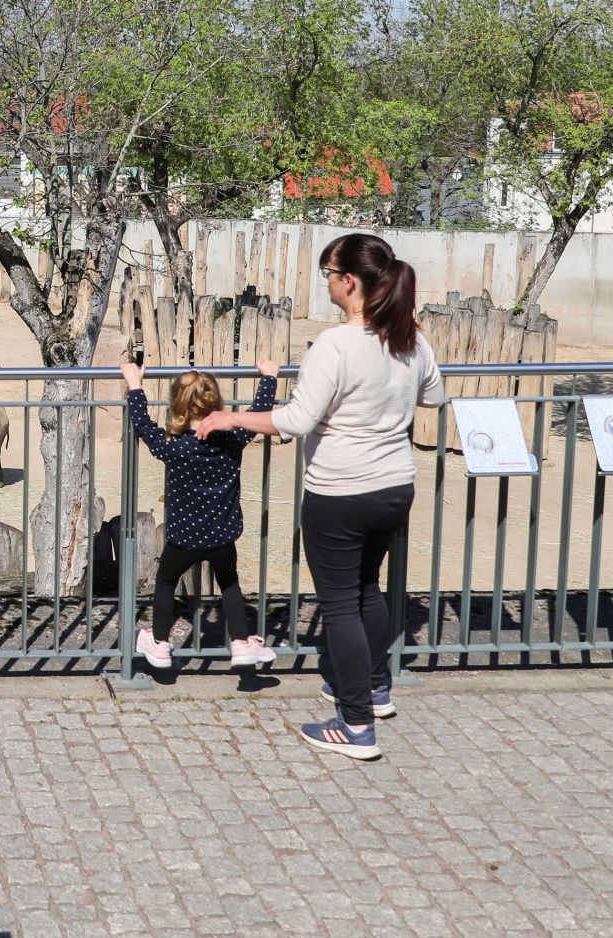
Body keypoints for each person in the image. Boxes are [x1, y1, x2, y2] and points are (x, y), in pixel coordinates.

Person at [196, 233, 445, 760]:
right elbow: (434, 395)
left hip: (340, 492)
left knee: (339, 604)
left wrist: (229, 416)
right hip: (394, 486)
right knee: (365, 591)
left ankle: (355, 723)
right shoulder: (410, 339)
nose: (327, 282)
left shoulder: (334, 344)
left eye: (329, 273)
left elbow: (296, 420)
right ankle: (374, 689)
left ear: (349, 281)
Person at [122, 360, 281, 670]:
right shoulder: (233, 440)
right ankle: (240, 643)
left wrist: (135, 385)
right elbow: (257, 412)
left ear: (177, 404)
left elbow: (142, 423)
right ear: (216, 403)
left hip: (183, 538)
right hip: (222, 536)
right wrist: (270, 378)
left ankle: (159, 642)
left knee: (166, 581)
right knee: (230, 583)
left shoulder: (173, 447)